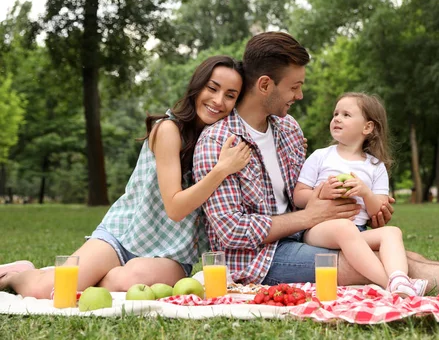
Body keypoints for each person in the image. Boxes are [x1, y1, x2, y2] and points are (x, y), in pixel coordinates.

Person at [193, 31, 439, 299]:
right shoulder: (218, 141)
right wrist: (312, 213)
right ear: (265, 85)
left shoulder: (289, 131)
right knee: (375, 265)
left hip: (305, 237)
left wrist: (362, 203)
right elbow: (230, 233)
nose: (299, 96)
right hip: (256, 262)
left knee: (400, 255)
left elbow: (307, 195)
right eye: (294, 87)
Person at [0, 55, 251, 299]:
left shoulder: (221, 143)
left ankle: (73, 275)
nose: (219, 101)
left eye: (230, 95)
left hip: (171, 254)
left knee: (125, 282)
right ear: (197, 87)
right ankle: (17, 274)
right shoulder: (168, 129)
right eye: (212, 88)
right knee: (48, 292)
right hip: (124, 234)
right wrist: (221, 170)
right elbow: (175, 207)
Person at [293, 92, 425, 297]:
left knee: (392, 232)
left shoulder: (375, 166)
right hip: (319, 229)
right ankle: (389, 284)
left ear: (367, 127)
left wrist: (365, 192)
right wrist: (321, 193)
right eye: (335, 114)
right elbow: (298, 195)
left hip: (359, 230)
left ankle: (399, 277)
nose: (337, 118)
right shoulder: (321, 156)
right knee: (345, 227)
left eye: (346, 115)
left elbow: (378, 210)